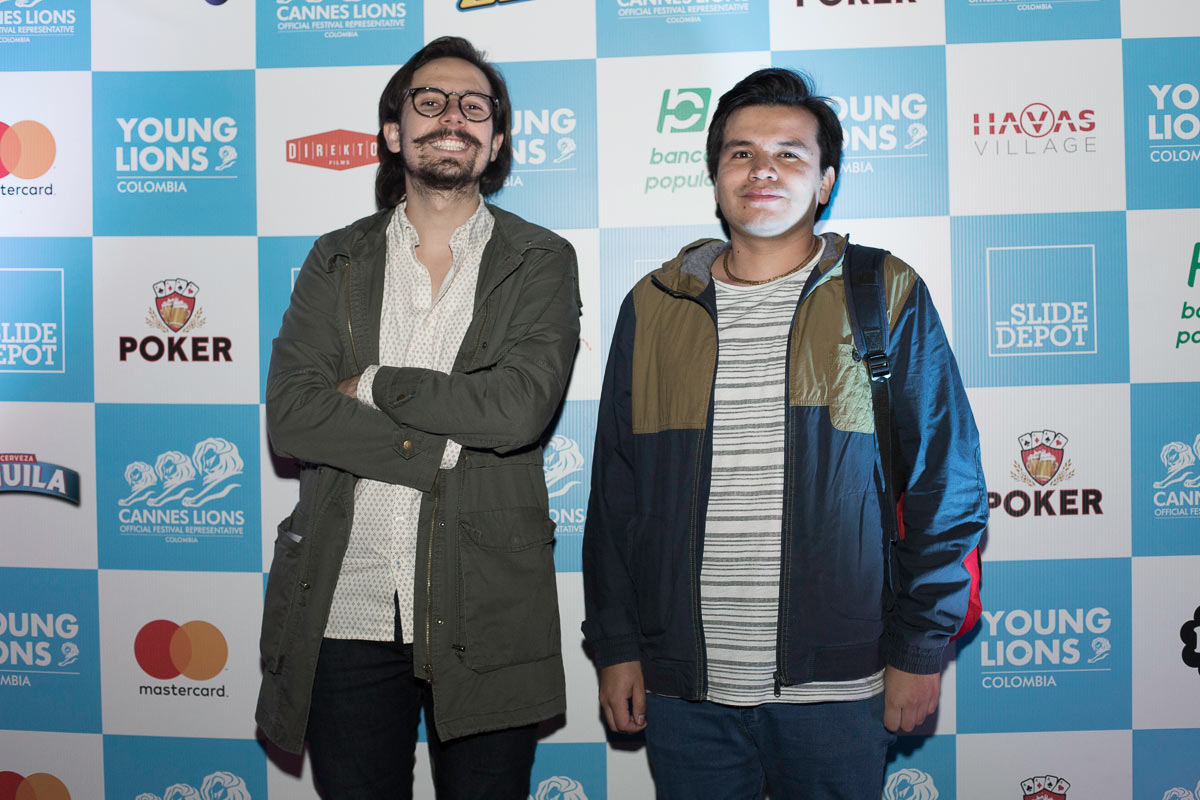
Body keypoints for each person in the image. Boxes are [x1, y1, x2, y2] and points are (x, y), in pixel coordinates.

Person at [582, 67, 987, 799]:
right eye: (740, 153)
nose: (762, 169)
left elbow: (944, 484)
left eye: (789, 154)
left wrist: (920, 648)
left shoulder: (884, 291)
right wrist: (615, 646)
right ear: (715, 176)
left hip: (841, 688)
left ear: (825, 182)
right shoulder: (653, 305)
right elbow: (616, 497)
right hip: (684, 691)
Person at [256, 36, 581, 800]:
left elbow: (516, 410)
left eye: (474, 106)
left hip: (486, 607)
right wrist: (437, 447)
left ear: (496, 139)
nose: (452, 117)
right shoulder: (335, 258)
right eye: (429, 101)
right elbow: (294, 416)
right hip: (345, 604)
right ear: (393, 131)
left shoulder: (540, 258)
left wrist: (374, 383)